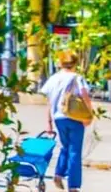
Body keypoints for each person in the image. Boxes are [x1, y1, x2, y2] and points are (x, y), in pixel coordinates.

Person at [40, 51, 93, 192]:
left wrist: (49, 122)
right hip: (74, 117)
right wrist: (89, 115)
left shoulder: (53, 79)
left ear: (60, 63)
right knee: (75, 150)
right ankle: (73, 186)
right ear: (75, 63)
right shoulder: (77, 78)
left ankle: (58, 174)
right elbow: (85, 96)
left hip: (58, 118)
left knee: (65, 147)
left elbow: (49, 102)